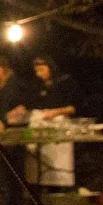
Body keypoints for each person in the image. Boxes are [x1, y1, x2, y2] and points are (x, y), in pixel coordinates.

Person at [22, 55, 79, 192]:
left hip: (59, 127)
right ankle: (38, 193)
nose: (39, 73)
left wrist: (54, 112)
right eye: (36, 70)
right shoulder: (37, 86)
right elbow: (31, 106)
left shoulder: (65, 82)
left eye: (41, 69)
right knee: (37, 164)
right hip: (40, 127)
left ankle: (60, 191)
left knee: (59, 165)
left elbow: (74, 107)